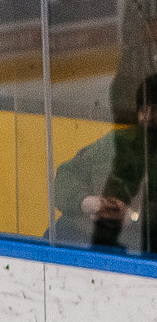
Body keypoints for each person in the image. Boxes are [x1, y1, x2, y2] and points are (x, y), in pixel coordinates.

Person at [51, 73, 155, 253]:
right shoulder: (116, 142)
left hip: (130, 249)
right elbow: (65, 176)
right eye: (144, 109)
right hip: (75, 237)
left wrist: (134, 217)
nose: (149, 116)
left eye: (155, 109)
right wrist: (85, 202)